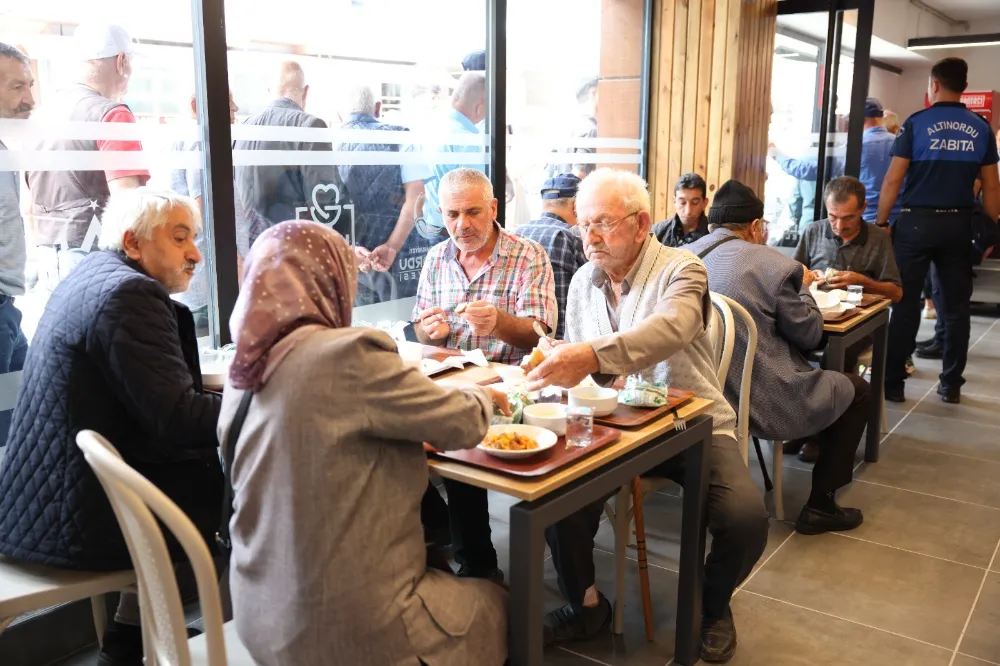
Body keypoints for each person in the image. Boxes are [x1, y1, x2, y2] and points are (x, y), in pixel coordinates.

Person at [218, 220, 509, 666]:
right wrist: (486, 393)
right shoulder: (345, 354)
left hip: (256, 615)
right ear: (332, 280)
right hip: (346, 627)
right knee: (501, 605)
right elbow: (462, 425)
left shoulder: (244, 368)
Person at [524, 169, 769, 664]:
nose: (589, 236)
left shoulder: (683, 269)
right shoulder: (583, 282)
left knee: (744, 517)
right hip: (612, 426)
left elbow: (671, 328)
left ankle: (714, 604)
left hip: (688, 424)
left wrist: (590, 356)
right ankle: (587, 605)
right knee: (550, 495)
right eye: (584, 224)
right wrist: (563, 360)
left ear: (640, 225)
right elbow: (584, 370)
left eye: (604, 224)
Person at [0, 188, 223, 665]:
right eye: (180, 238)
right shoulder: (131, 293)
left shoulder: (94, 274)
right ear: (134, 243)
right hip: (75, 516)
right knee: (235, 491)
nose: (195, 254)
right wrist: (262, 405)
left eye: (195, 239)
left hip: (40, 501)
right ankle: (260, 629)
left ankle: (129, 637)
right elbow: (178, 419)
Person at [686, 180, 869, 536]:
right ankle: (821, 505)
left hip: (700, 392)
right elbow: (810, 335)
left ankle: (807, 439)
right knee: (856, 389)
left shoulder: (682, 256)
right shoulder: (777, 264)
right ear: (755, 227)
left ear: (711, 224)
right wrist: (804, 286)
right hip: (760, 399)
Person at [413, 167, 556, 582]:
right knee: (385, 437)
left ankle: (477, 564)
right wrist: (429, 330)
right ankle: (438, 537)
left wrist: (499, 323)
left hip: (511, 388)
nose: (462, 225)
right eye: (453, 214)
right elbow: (420, 327)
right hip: (448, 384)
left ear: (493, 208)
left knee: (458, 434)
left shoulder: (527, 255)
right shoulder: (435, 258)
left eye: (473, 212)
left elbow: (541, 334)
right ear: (441, 213)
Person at [877, 57, 1000, 404]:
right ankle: (951, 386)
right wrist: (987, 226)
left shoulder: (916, 124)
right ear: (963, 86)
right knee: (956, 308)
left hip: (916, 224)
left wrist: (883, 221)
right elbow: (991, 186)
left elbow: (894, 178)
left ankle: (894, 384)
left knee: (905, 303)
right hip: (959, 225)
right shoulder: (980, 127)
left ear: (933, 84)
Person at [27, 23, 149, 287]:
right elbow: (128, 203)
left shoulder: (42, 116)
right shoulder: (112, 115)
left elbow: (28, 204)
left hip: (48, 258)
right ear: (122, 61)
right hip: (96, 258)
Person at [233, 61, 353, 254]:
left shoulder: (243, 129)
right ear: (305, 92)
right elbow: (325, 199)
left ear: (270, 90)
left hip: (251, 251)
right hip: (292, 253)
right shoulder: (310, 125)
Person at [336, 84, 431, 306]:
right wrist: (392, 246)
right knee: (403, 325)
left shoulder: (329, 143)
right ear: (378, 109)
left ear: (339, 115)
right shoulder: (401, 138)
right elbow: (416, 197)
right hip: (403, 255)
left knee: (360, 328)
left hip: (354, 256)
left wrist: (348, 248)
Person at [169, 90, 240, 337]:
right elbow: (208, 211)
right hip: (208, 287)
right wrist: (239, 262)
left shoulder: (189, 138)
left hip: (203, 284)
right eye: (229, 101)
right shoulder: (201, 141)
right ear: (196, 106)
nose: (236, 108)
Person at [771, 98, 901, 225]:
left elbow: (810, 170)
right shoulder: (899, 143)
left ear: (860, 120)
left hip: (865, 220)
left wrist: (777, 155)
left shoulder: (855, 148)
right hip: (898, 220)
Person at [794, 176, 902, 305]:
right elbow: (789, 277)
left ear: (863, 208)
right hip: (815, 313)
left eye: (849, 217)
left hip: (862, 317)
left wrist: (862, 282)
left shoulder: (879, 238)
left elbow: (896, 294)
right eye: (832, 216)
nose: (840, 226)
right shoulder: (813, 231)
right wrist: (808, 276)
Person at [0, 43, 33, 445]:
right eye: (16, 87)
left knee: (19, 430)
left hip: (7, 306)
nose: (30, 99)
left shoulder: (5, 150)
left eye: (30, 85)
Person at [515, 173, 587, 339]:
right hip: (563, 344)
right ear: (576, 206)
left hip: (521, 341)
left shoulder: (516, 234)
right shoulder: (572, 236)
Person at [418, 72, 487, 239]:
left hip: (430, 227)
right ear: (480, 106)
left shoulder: (429, 130)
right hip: (459, 233)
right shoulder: (467, 141)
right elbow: (476, 199)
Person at [552, 77, 599, 179]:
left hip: (559, 192)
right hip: (575, 193)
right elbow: (578, 175)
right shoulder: (590, 129)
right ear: (594, 94)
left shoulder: (566, 126)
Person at [651, 172, 710, 247]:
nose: (688, 211)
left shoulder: (714, 234)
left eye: (695, 203)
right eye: (682, 202)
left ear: (705, 203)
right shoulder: (658, 232)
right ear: (674, 201)